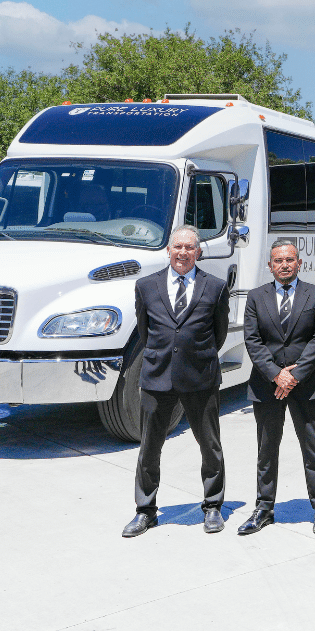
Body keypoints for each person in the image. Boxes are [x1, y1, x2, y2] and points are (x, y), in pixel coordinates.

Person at [120, 226, 230, 538]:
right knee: (149, 447)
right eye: (178, 247)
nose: (183, 253)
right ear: (168, 250)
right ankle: (145, 510)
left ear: (198, 252)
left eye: (189, 248)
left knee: (209, 444)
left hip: (201, 377)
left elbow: (218, 333)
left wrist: (194, 356)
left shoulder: (216, 287)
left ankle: (212, 506)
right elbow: (146, 332)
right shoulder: (146, 286)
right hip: (158, 377)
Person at [241, 239, 315, 536]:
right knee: (266, 449)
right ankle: (264, 508)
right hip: (267, 387)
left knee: (313, 449)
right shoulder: (256, 297)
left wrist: (294, 377)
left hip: (306, 386)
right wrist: (275, 375)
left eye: (290, 259)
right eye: (278, 260)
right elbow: (253, 340)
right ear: (270, 265)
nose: (284, 265)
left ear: (299, 263)